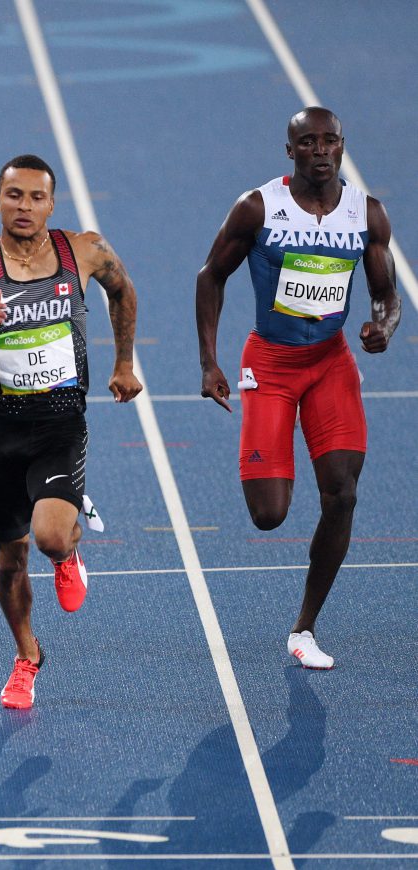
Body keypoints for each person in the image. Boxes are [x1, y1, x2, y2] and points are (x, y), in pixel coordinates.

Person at [196, 107, 400, 670]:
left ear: (342, 147)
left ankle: (304, 628)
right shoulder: (258, 208)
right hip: (272, 364)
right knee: (269, 515)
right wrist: (209, 362)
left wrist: (381, 327)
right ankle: (264, 452)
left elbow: (386, 295)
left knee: (343, 493)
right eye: (306, 142)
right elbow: (209, 276)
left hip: (330, 364)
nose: (319, 150)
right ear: (290, 151)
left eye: (328, 141)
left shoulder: (367, 215)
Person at [0, 154, 142, 710]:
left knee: (50, 536)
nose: (24, 206)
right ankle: (28, 656)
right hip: (0, 430)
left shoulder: (82, 251)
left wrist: (124, 364)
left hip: (60, 423)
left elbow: (123, 290)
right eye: (14, 196)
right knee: (8, 561)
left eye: (35, 197)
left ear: (51, 204)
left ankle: (68, 546)